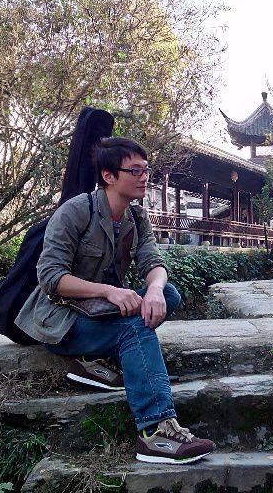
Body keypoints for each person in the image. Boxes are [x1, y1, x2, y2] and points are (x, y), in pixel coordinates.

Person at [15, 137, 215, 464]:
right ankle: (156, 432)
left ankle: (95, 361)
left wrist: (153, 289)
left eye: (146, 170)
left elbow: (154, 264)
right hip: (61, 319)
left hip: (98, 313)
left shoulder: (136, 217)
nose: (144, 177)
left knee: (168, 294)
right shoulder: (76, 212)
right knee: (135, 330)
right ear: (108, 176)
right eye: (134, 171)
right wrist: (108, 291)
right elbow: (51, 276)